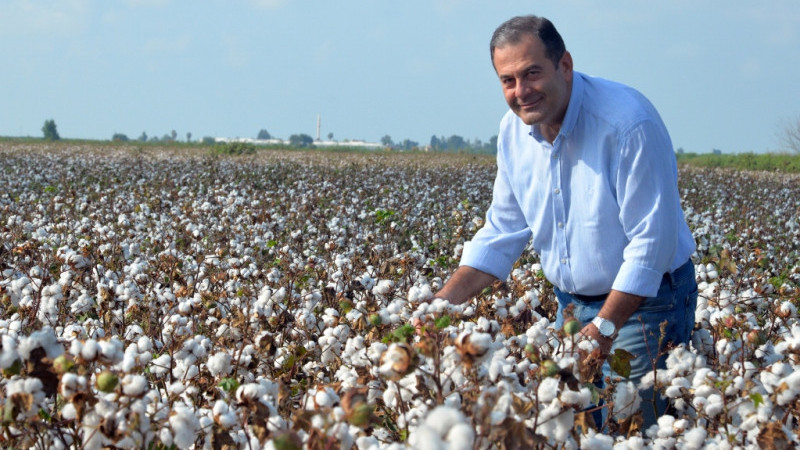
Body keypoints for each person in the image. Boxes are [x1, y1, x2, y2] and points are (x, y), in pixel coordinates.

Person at [432, 15, 697, 429]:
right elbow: (502, 233)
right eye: (508, 80)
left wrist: (604, 327)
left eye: (531, 73)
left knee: (633, 432)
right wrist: (439, 308)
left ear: (566, 65)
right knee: (573, 429)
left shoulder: (626, 124)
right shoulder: (514, 132)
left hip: (646, 305)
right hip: (570, 307)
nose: (521, 92)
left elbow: (651, 244)